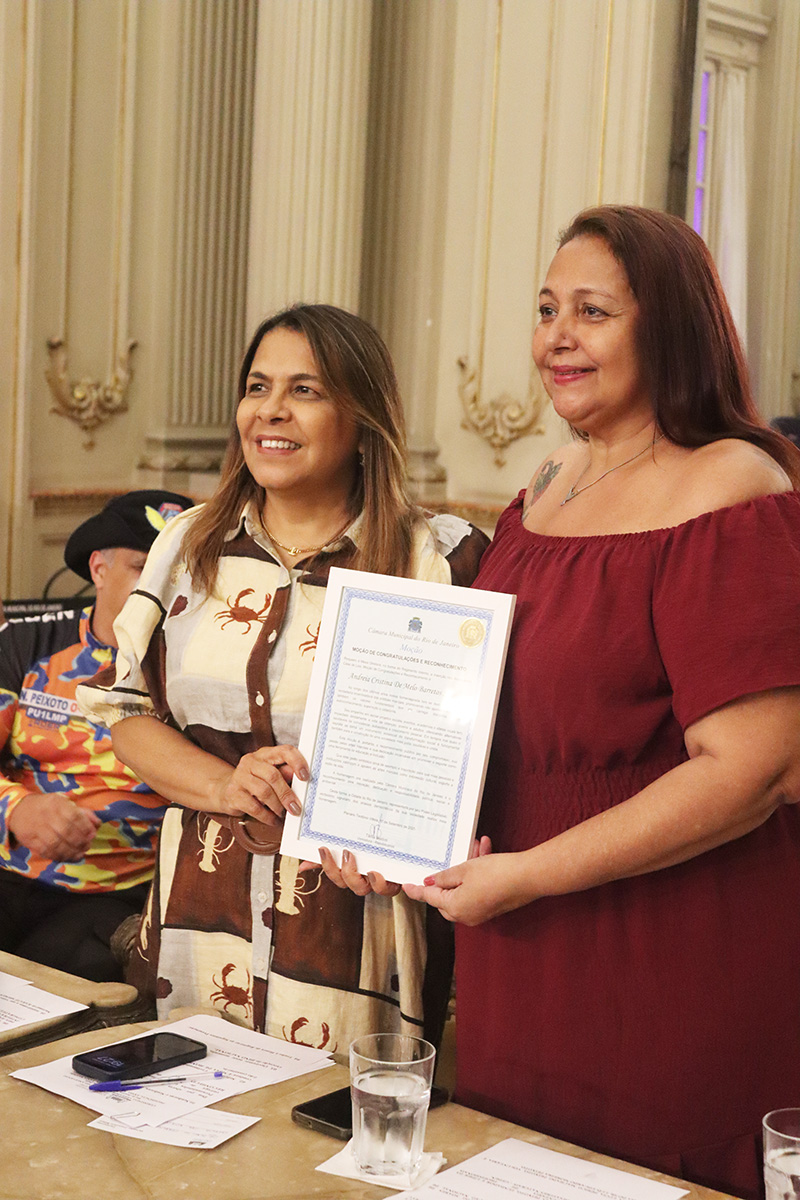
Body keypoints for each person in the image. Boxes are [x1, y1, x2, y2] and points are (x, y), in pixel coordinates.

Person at [404, 206, 800, 1200]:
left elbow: (752, 772)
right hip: (520, 938)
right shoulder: (547, 478)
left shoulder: (729, 485)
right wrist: (395, 818)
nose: (555, 338)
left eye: (591, 311)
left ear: (667, 324)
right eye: (545, 310)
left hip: (669, 944)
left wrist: (531, 875)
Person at [78, 304, 488, 1052]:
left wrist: (400, 835)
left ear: (362, 414)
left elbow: (458, 757)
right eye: (258, 386)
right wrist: (228, 786)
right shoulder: (185, 544)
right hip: (198, 917)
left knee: (327, 1152)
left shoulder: (436, 559)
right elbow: (127, 711)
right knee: (184, 1135)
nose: (270, 410)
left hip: (353, 923)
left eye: (306, 390)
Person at [0, 489, 193, 981]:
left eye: (177, 573)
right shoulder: (28, 645)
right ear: (99, 570)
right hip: (9, 871)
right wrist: (16, 807)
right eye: (142, 568)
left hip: (122, 894)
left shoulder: (199, 673)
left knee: (53, 978)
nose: (161, 589)